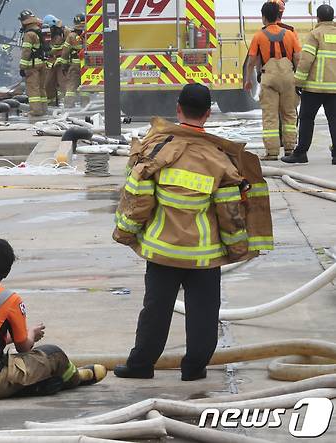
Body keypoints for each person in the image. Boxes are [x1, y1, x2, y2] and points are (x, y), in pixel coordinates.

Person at [112, 84, 272, 381]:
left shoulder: (156, 149)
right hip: (204, 256)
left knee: (155, 312)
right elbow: (230, 215)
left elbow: (139, 200)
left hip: (163, 252)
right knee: (204, 315)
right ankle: (194, 368)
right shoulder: (221, 160)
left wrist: (126, 232)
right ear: (208, 114)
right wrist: (237, 249)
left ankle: (141, 366)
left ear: (178, 109)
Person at [0, 236, 106, 400]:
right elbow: (24, 348)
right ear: (6, 271)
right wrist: (31, 334)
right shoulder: (9, 299)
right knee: (53, 354)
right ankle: (75, 377)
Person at [245, 2, 301, 160]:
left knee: (270, 116)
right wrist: (299, 79)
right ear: (278, 16)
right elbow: (298, 57)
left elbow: (251, 61)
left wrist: (248, 80)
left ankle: (272, 152)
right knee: (289, 114)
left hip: (268, 77)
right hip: (288, 77)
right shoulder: (290, 34)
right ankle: (290, 149)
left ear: (263, 17)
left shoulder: (259, 36)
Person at [283, 4, 336, 165]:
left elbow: (306, 60)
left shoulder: (315, 34)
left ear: (318, 18)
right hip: (334, 89)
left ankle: (301, 153)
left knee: (306, 119)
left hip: (314, 88)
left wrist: (298, 82)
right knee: (334, 120)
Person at [18, 10, 47, 117]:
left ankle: (35, 111)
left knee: (33, 89)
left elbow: (26, 51)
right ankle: (43, 109)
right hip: (42, 63)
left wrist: (22, 67)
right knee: (41, 88)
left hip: (32, 66)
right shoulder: (39, 31)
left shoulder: (29, 34)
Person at [61, 14, 86, 108]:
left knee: (71, 86)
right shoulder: (89, 35)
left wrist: (64, 66)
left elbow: (65, 52)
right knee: (85, 86)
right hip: (87, 65)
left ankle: (68, 105)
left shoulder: (71, 36)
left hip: (74, 65)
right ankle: (85, 105)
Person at [43, 15, 69, 106]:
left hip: (62, 61)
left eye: (50, 28)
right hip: (50, 62)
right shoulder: (46, 33)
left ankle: (68, 104)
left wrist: (64, 59)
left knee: (63, 83)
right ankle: (51, 103)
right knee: (48, 83)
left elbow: (71, 46)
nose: (49, 31)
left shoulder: (65, 32)